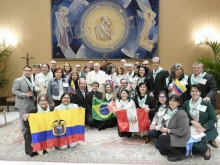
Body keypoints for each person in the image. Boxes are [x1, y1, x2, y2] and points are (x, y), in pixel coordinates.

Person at [188, 62, 218, 147]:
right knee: (196, 118)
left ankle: (212, 138)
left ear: (202, 68)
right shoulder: (190, 77)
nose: (196, 69)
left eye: (198, 67)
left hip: (206, 103)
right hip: (194, 102)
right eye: (194, 68)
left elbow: (213, 89)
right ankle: (197, 134)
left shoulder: (208, 77)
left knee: (209, 119)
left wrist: (208, 97)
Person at [184, 84, 218, 160]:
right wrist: (192, 121)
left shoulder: (206, 103)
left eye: (197, 91)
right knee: (184, 139)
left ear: (200, 93)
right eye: (192, 91)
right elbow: (185, 116)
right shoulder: (186, 103)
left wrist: (204, 127)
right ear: (190, 93)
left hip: (205, 128)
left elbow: (213, 118)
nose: (194, 93)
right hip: (192, 127)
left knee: (197, 142)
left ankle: (207, 150)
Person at [156, 94, 190, 162]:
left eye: (174, 101)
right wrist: (163, 130)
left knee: (161, 138)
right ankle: (175, 149)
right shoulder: (167, 110)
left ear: (178, 103)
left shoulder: (182, 114)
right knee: (160, 149)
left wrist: (168, 131)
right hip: (171, 133)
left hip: (181, 136)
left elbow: (182, 131)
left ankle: (179, 154)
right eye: (171, 100)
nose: (172, 102)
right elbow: (163, 121)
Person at [12, 66, 36, 135]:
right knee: (23, 121)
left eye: (29, 71)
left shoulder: (32, 80)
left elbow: (31, 89)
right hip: (23, 103)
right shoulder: (18, 80)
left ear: (31, 72)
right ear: (23, 71)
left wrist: (34, 95)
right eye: (26, 70)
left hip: (31, 103)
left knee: (30, 120)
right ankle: (25, 137)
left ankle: (31, 135)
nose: (28, 72)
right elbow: (14, 91)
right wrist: (24, 94)